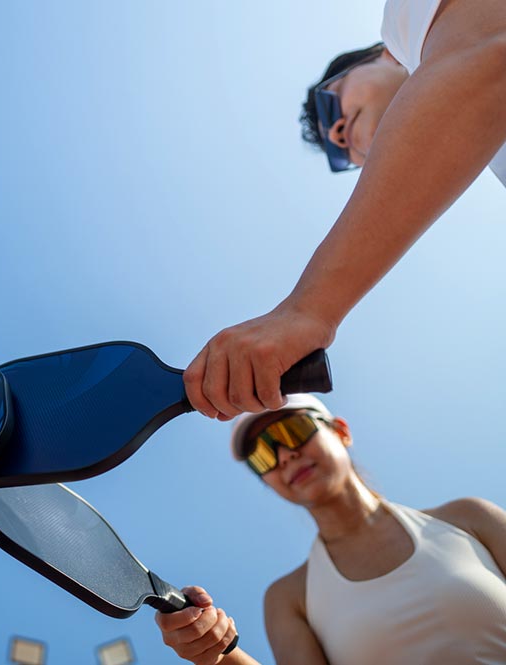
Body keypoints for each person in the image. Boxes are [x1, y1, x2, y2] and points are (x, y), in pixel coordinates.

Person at [183, 0, 506, 420]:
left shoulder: (402, 24)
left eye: (330, 103)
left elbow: (488, 55)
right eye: (343, 157)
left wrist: (308, 308)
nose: (338, 132)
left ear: (382, 55)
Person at [155, 394, 506, 665]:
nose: (286, 456)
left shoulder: (468, 517)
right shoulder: (288, 599)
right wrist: (218, 653)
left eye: (292, 431)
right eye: (264, 455)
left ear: (341, 431)